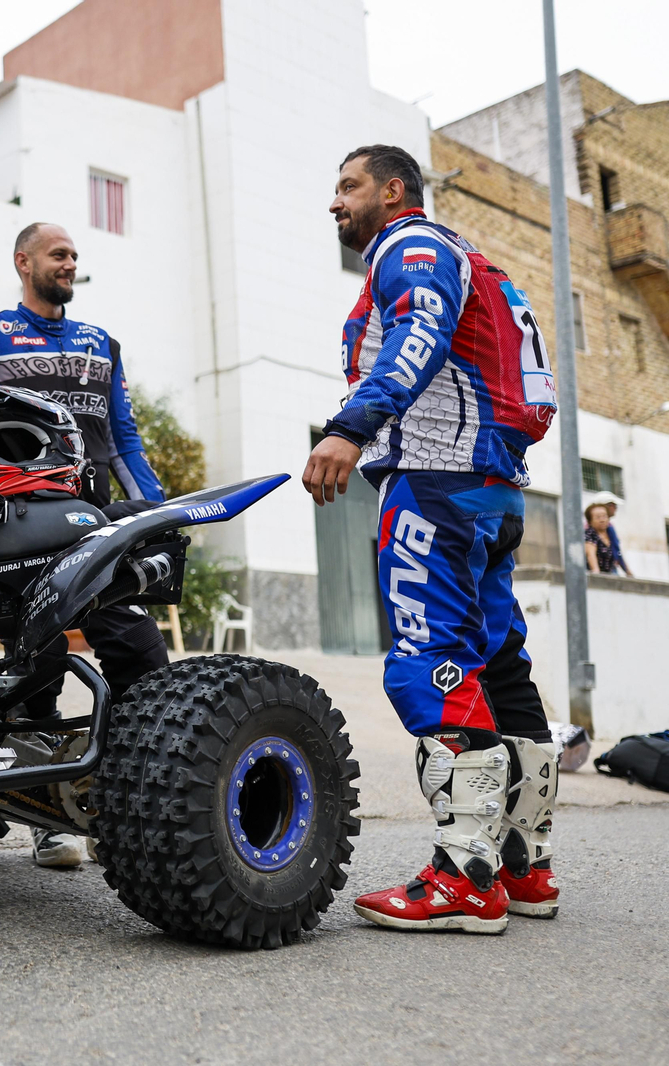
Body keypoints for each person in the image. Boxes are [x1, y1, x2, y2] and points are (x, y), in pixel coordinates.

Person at [305, 145, 560, 932]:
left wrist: (349, 428)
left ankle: (464, 880)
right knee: (498, 664)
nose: (336, 203)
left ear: (392, 189)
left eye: (347, 186)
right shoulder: (467, 256)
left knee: (428, 662)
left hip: (435, 481)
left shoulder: (411, 247)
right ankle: (523, 868)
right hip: (489, 487)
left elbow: (421, 334)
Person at [0, 222, 170, 869]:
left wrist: (155, 511)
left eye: (74, 255)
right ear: (23, 262)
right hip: (12, 523)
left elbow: (124, 439)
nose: (70, 262)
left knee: (138, 650)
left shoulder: (102, 345)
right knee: (34, 659)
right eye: (57, 253)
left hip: (90, 521)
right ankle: (48, 821)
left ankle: (134, 802)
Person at [590, 491, 631, 575]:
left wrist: (627, 571)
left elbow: (616, 551)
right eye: (613, 505)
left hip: (610, 569)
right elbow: (591, 553)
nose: (615, 508)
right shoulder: (590, 530)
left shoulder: (609, 528)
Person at [584, 503, 617, 573]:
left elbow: (618, 553)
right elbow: (591, 555)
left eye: (604, 516)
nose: (602, 520)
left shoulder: (610, 532)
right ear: (590, 521)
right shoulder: (590, 534)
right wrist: (597, 574)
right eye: (598, 517)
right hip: (595, 577)